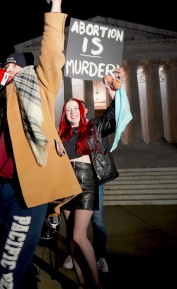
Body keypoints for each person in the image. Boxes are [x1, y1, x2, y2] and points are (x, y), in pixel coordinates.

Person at [0, 0, 82, 288]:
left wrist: (55, 5)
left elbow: (52, 54)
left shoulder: (40, 85)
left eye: (15, 65)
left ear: (28, 69)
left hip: (27, 194)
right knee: (20, 266)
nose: (9, 68)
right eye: (7, 64)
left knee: (7, 272)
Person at [57, 67, 125, 289]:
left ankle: (96, 283)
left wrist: (114, 89)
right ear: (64, 114)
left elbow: (115, 114)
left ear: (82, 111)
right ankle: (81, 280)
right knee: (71, 237)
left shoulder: (94, 128)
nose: (72, 112)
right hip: (65, 183)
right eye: (68, 110)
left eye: (75, 108)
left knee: (79, 235)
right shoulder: (61, 135)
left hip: (86, 182)